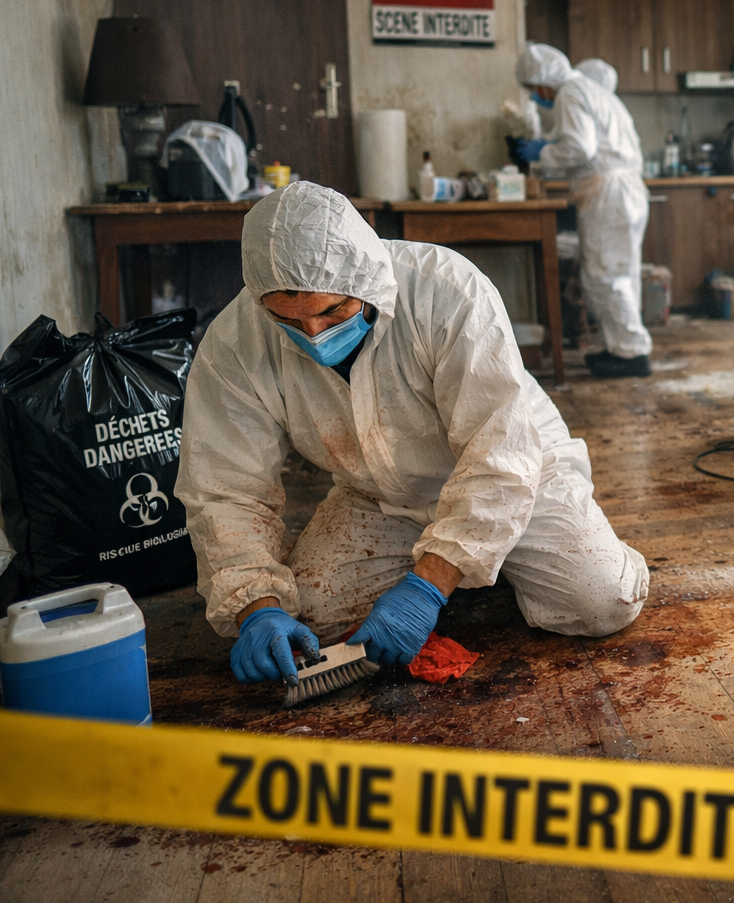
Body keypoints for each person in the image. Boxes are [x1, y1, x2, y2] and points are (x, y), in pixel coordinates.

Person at [177, 181, 649, 687]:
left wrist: (426, 590)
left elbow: (499, 455)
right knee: (307, 624)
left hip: (516, 474)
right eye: (288, 318)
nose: (314, 334)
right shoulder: (234, 343)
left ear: (365, 279)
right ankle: (464, 566)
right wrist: (256, 606)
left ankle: (471, 567)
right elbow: (225, 489)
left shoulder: (447, 291)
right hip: (378, 494)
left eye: (333, 311)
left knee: (602, 601)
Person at [514, 44, 652, 378]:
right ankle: (621, 348)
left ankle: (631, 354)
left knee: (606, 273)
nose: (536, 97)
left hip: (607, 190)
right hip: (625, 187)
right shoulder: (593, 90)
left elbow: (579, 146)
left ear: (544, 80)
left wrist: (542, 153)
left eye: (534, 90)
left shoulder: (570, 92)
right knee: (621, 273)